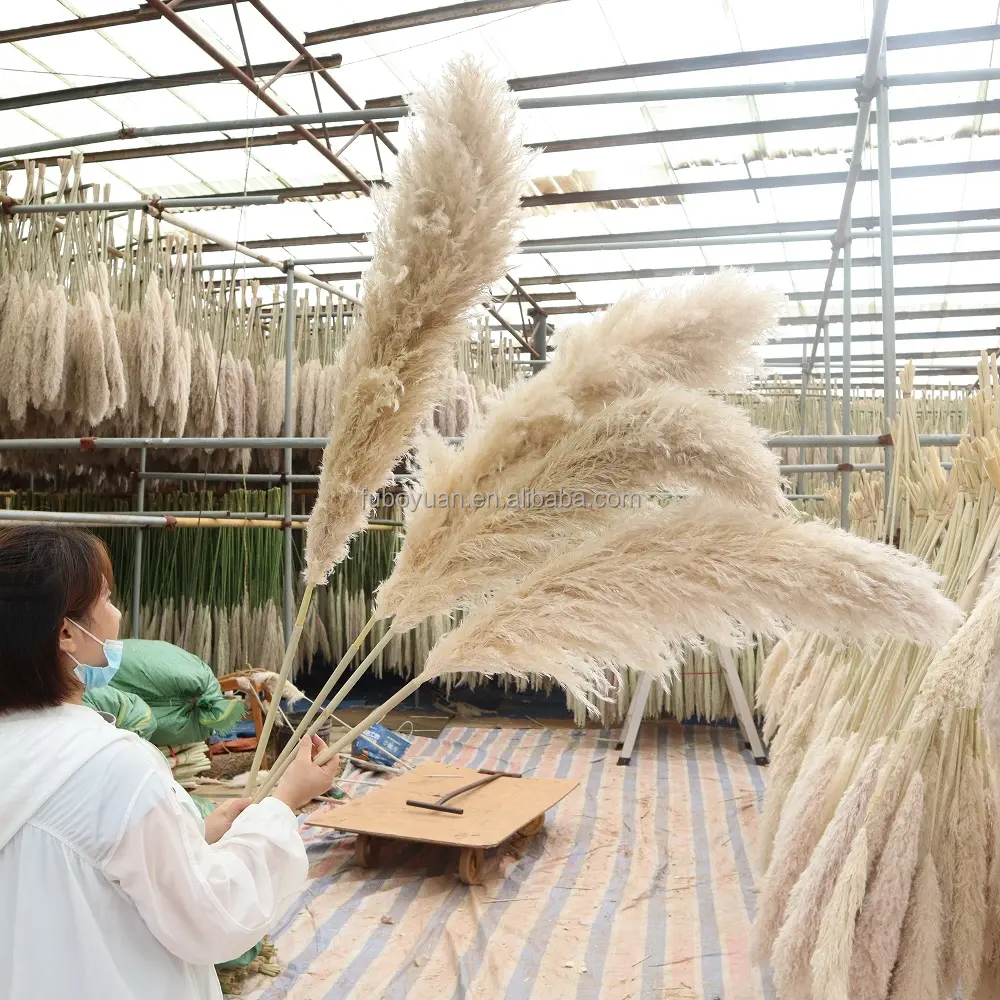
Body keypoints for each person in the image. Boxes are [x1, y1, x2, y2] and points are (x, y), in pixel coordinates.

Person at [0, 524, 339, 1000]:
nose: (116, 614)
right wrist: (285, 802)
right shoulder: (110, 766)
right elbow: (210, 914)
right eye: (106, 599)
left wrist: (197, 832)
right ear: (65, 632)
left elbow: (66, 865)